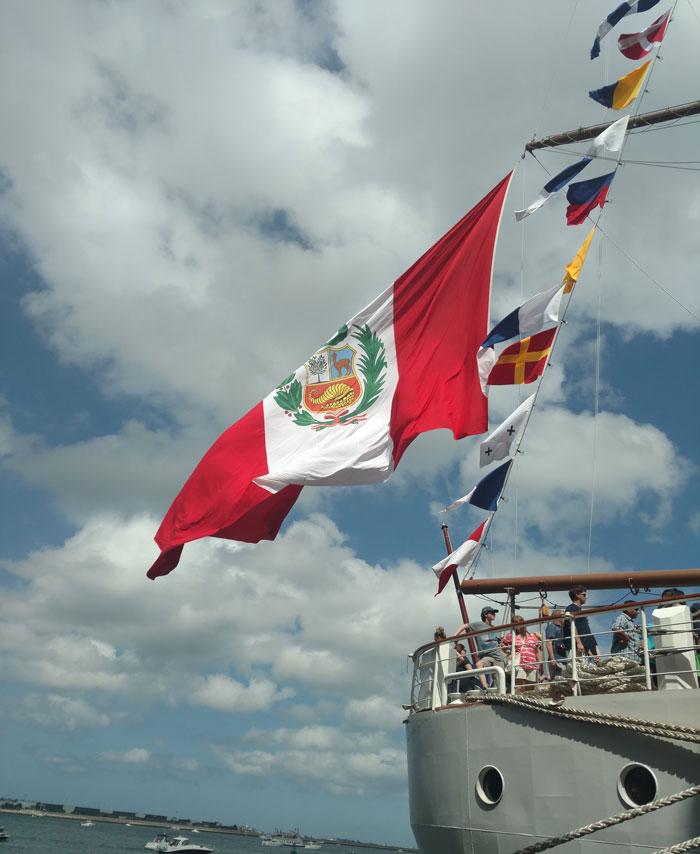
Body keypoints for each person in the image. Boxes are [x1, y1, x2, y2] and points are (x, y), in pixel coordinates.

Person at [455, 607, 506, 689]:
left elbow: (497, 643)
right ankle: (485, 687)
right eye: (492, 613)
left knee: (498, 681)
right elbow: (466, 625)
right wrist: (456, 635)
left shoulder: (494, 627)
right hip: (487, 656)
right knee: (479, 664)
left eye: (494, 613)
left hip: (498, 657)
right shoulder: (478, 625)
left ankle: (498, 695)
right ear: (486, 614)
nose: (494, 614)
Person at [502, 615, 543, 690]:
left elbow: (537, 651)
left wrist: (541, 664)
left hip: (532, 665)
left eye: (519, 623)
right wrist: (508, 655)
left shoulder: (532, 636)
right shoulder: (512, 636)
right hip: (519, 664)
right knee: (519, 688)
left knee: (530, 689)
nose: (518, 626)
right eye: (515, 623)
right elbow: (502, 645)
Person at [563, 585, 600, 663]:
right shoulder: (571, 608)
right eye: (584, 594)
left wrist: (590, 653)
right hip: (575, 648)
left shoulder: (579, 611)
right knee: (575, 671)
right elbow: (571, 626)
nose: (586, 597)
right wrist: (579, 643)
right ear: (577, 595)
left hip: (582, 650)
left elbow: (583, 632)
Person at [545, 610, 567, 678]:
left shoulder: (563, 629)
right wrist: (552, 659)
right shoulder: (552, 627)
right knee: (557, 682)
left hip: (564, 659)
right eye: (564, 615)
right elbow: (549, 643)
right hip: (557, 659)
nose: (566, 617)